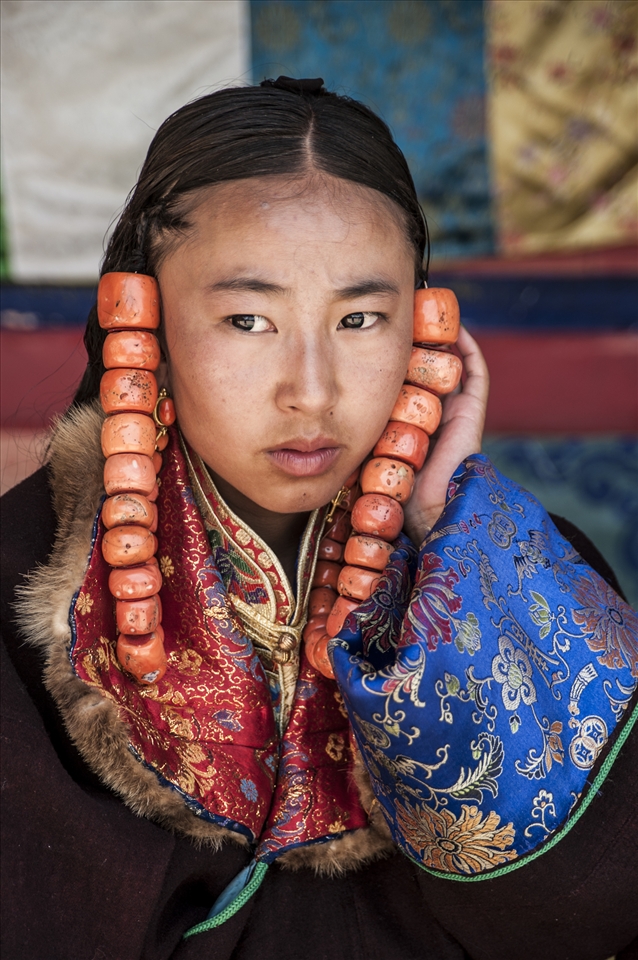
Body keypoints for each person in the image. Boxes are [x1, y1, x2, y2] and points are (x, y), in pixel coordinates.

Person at [1, 78, 636, 960]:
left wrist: (447, 520)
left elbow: (587, 912)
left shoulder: (529, 576)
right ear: (139, 318)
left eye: (362, 317)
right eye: (249, 318)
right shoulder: (17, 583)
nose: (312, 389)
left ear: (425, 330)